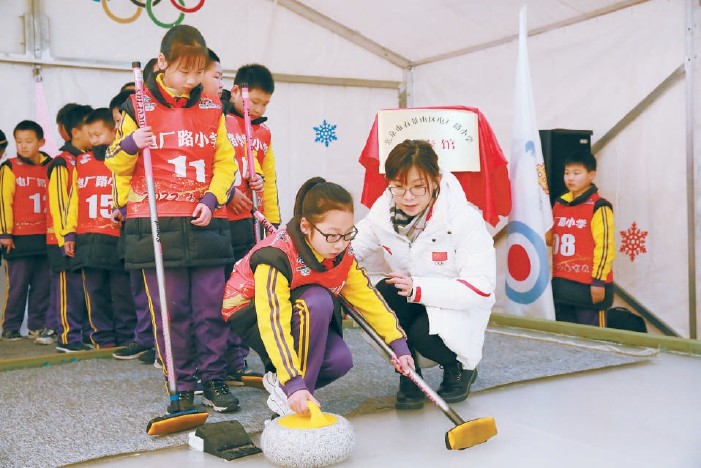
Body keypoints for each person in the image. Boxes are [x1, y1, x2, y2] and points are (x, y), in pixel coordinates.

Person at [105, 24, 239, 413]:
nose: (191, 81)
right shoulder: (137, 107)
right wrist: (132, 143)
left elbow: (226, 162)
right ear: (162, 63)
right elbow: (113, 160)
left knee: (211, 308)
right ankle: (180, 382)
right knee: (171, 310)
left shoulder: (213, 108)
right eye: (183, 72)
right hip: (155, 223)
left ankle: (214, 377)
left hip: (203, 220)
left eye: (199, 72)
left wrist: (214, 198)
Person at [223, 177, 414, 417]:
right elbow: (274, 322)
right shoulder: (275, 257)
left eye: (347, 234)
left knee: (339, 360)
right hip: (252, 312)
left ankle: (287, 389)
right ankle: (291, 397)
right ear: (306, 226)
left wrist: (398, 344)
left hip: (301, 309)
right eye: (332, 235)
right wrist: (293, 382)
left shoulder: (342, 254)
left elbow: (368, 299)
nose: (340, 244)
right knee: (318, 300)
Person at [352, 139, 496, 409]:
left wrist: (420, 289)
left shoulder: (463, 220)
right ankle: (409, 373)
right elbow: (349, 247)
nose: (407, 197)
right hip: (410, 300)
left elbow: (481, 287)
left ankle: (458, 368)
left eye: (418, 187)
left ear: (436, 180)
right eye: (398, 186)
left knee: (422, 334)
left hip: (454, 310)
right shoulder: (383, 213)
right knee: (379, 296)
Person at [63, 108, 136, 348]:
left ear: (113, 132)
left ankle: (126, 337)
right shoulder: (81, 162)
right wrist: (69, 233)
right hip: (87, 239)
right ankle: (102, 338)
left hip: (115, 237)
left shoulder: (123, 160)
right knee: (95, 293)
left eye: (99, 134)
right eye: (90, 135)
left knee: (121, 293)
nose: (94, 140)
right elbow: (74, 200)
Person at [46, 104, 93, 352]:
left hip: (79, 238)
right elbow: (60, 204)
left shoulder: (84, 159)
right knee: (67, 290)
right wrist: (66, 235)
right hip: (62, 240)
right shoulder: (62, 162)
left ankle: (81, 335)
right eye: (90, 129)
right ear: (76, 131)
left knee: (80, 290)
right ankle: (67, 338)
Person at [550, 150, 615, 326]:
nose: (570, 178)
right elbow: (550, 239)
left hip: (589, 288)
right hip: (562, 286)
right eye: (567, 173)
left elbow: (605, 247)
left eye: (576, 173)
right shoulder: (559, 204)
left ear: (591, 175)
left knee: (594, 341)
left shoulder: (599, 206)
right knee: (565, 338)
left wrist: (598, 282)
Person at [0, 120, 51, 340]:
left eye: (28, 141)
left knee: (42, 285)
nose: (23, 146)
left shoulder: (51, 165)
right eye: (18, 141)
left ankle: (37, 326)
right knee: (18, 285)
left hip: (44, 237)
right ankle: (11, 327)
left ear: (41, 141)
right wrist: (5, 233)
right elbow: (3, 201)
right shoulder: (9, 167)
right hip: (18, 239)